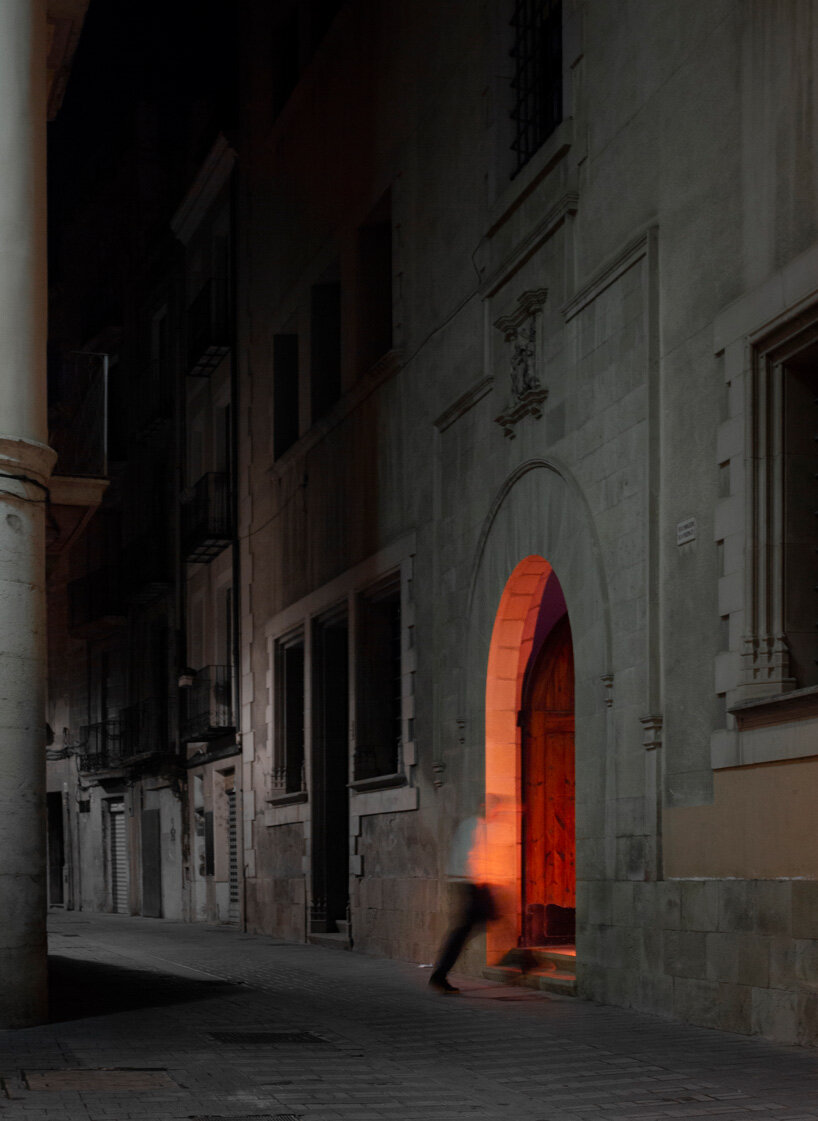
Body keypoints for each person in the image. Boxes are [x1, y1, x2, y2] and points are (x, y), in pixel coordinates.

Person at [429, 797, 500, 994]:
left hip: (472, 882)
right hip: (470, 883)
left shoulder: (478, 826)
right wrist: (480, 881)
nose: (496, 812)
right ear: (483, 806)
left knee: (469, 928)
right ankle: (439, 975)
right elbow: (470, 855)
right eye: (494, 807)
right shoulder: (473, 826)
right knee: (465, 930)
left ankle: (439, 975)